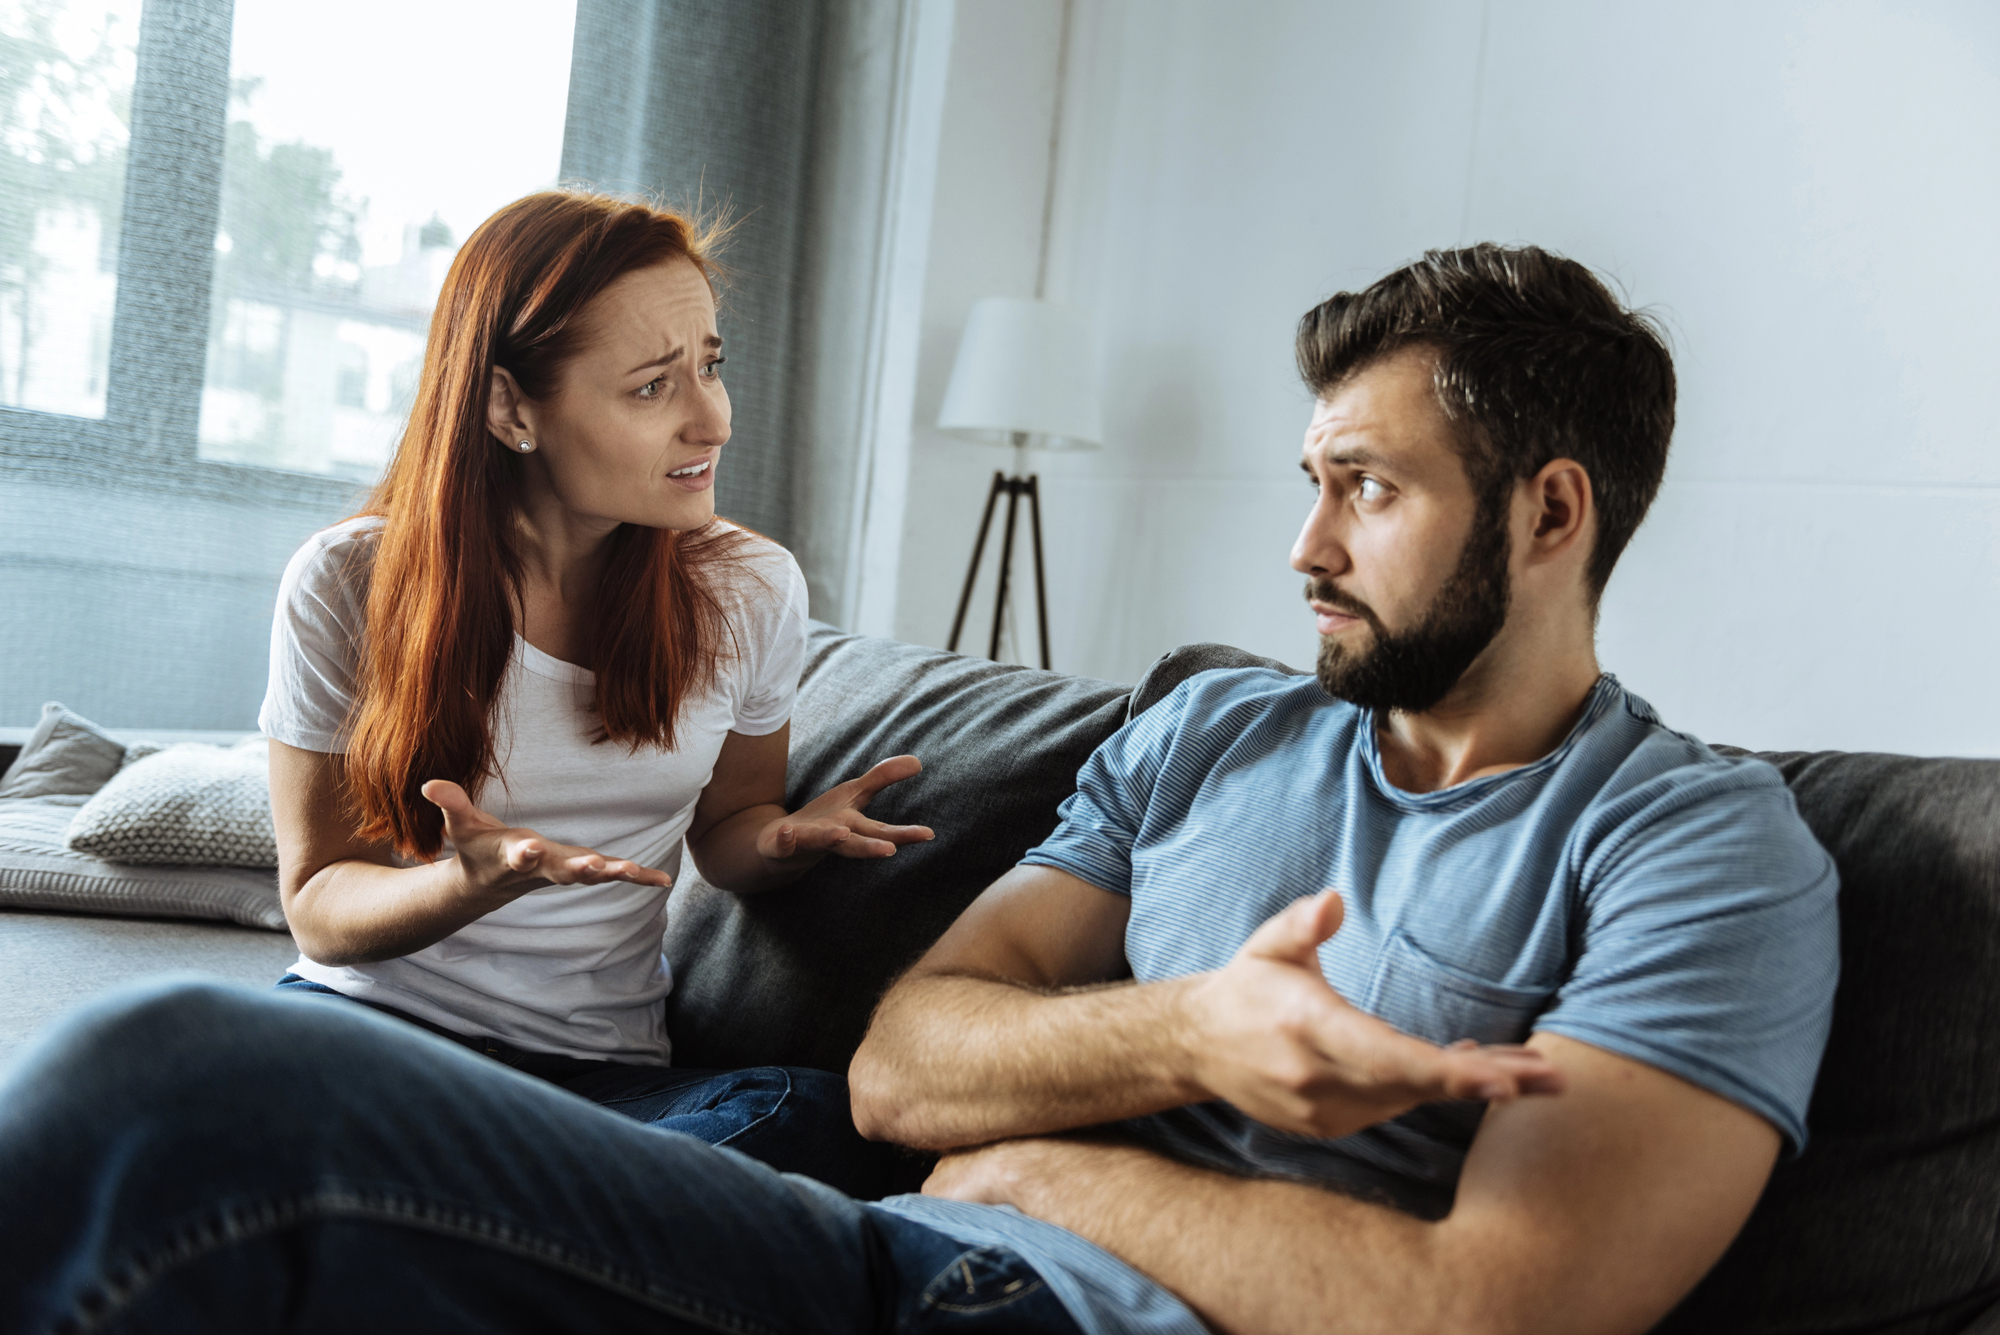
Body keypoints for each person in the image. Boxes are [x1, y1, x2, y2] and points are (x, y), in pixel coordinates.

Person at [0, 244, 1839, 1335]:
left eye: (1367, 485)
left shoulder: (1697, 847)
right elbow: (901, 1065)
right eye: (1310, 477)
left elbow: (1492, 1305)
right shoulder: (1218, 736)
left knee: (173, 1082)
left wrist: (1051, 1165)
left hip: (999, 1299)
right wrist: (1196, 1031)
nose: (1302, 544)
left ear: (1549, 511)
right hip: (870, 1248)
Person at [259, 190, 931, 1192]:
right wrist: (470, 882)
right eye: (652, 387)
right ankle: (536, 1218)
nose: (713, 418)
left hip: (597, 1083)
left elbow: (729, 826)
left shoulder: (747, 588)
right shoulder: (349, 580)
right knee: (182, 1072)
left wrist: (781, 840)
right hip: (369, 1037)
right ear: (508, 408)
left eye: (710, 364)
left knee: (815, 1117)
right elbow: (318, 903)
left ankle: (469, 1207)